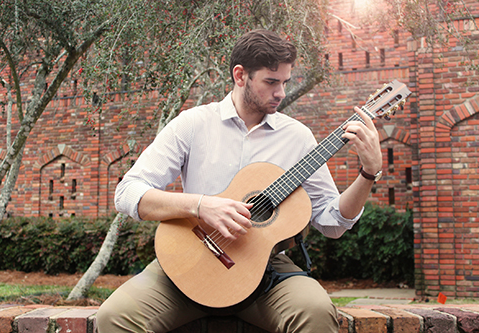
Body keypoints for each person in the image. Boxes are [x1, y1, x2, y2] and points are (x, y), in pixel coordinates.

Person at [96, 29, 383, 333]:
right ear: (240, 75)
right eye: (271, 82)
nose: (281, 93)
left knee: (316, 311)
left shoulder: (297, 138)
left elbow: (332, 222)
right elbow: (127, 193)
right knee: (115, 316)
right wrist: (201, 206)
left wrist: (368, 173)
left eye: (285, 82)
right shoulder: (192, 124)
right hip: (191, 259)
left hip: (266, 272)